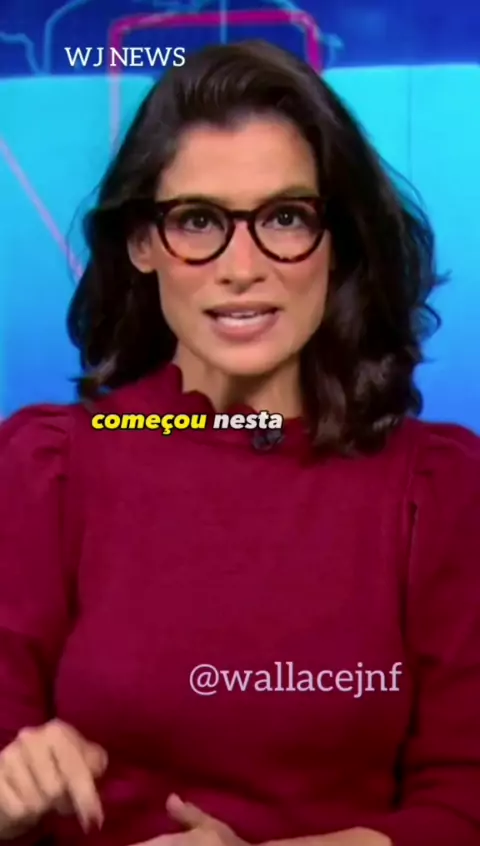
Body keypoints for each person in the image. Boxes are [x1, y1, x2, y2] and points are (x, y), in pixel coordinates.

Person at [0, 39, 479, 846]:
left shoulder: (437, 488)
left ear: (338, 239)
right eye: (198, 221)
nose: (242, 267)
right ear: (142, 244)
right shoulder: (47, 470)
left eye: (285, 218)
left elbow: (465, 805)